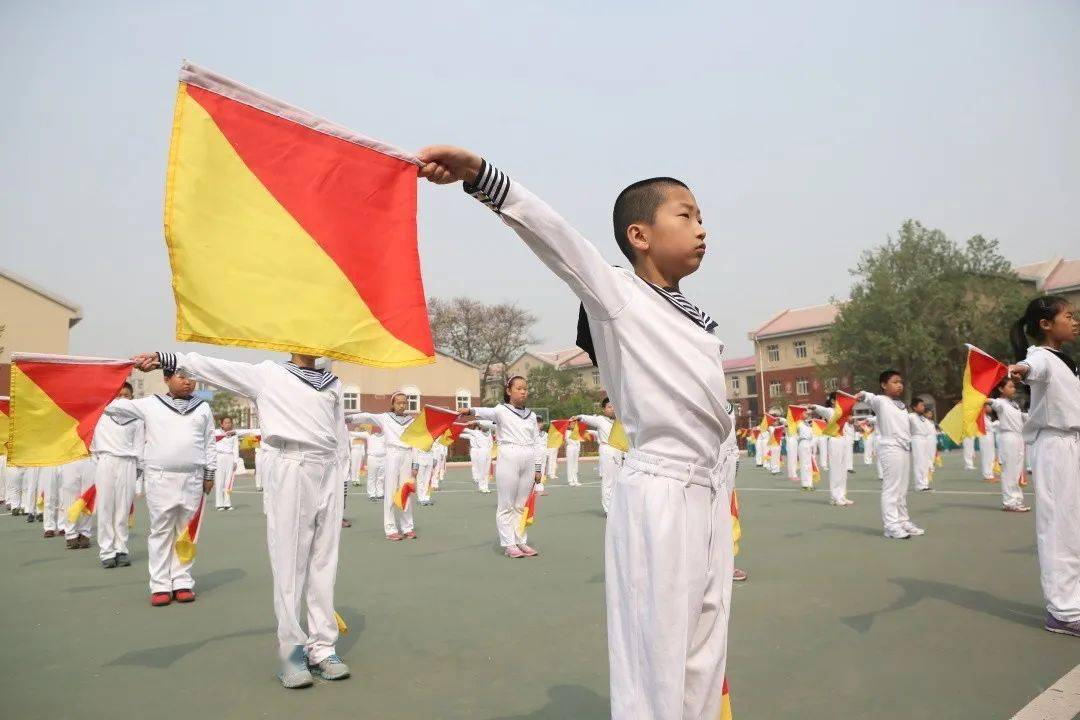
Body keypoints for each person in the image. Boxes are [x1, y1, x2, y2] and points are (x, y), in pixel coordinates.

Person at [419, 147, 735, 718]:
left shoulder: (694, 319)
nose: (701, 228)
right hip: (661, 489)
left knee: (705, 649)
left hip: (708, 492)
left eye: (701, 217)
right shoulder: (620, 296)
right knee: (657, 653)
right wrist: (479, 175)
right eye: (685, 215)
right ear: (639, 235)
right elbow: (556, 236)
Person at [132, 351, 352, 686]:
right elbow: (215, 368)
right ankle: (292, 652)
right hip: (291, 464)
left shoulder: (332, 383)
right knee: (290, 560)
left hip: (329, 469)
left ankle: (322, 647)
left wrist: (343, 480)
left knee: (324, 559)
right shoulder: (268, 374)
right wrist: (168, 359)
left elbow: (340, 436)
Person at [103, 365, 215, 605]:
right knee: (161, 531)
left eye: (191, 378)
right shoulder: (150, 404)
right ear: (166, 379)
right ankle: (160, 584)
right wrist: (108, 376)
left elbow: (209, 443)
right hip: (161, 477)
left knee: (186, 531)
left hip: (193, 477)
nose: (188, 382)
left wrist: (210, 473)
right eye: (182, 377)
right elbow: (112, 406)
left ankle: (182, 581)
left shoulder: (203, 407)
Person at [1007, 296, 1080, 637]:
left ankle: (1072, 599)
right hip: (1054, 447)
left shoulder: (1064, 360)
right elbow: (1032, 368)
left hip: (1071, 444)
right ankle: (1062, 612)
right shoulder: (1040, 358)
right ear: (1046, 324)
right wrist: (1021, 370)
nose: (1075, 321)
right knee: (1059, 528)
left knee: (1073, 526)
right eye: (1069, 316)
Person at [460, 376, 544, 558]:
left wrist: (538, 468)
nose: (523, 391)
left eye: (525, 388)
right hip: (508, 455)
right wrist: (469, 410)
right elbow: (486, 412)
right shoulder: (501, 410)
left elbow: (537, 442)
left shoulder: (531, 416)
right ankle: (509, 544)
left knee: (521, 504)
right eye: (519, 388)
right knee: (506, 504)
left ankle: (520, 540)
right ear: (509, 391)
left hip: (529, 457)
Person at [858, 371, 924, 540]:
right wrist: (863, 394)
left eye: (900, 382)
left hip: (903, 447)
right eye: (895, 382)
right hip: (890, 447)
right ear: (883, 385)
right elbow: (870, 398)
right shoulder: (881, 401)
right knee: (892, 488)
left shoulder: (901, 405)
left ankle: (903, 521)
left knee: (902, 489)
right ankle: (891, 526)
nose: (899, 385)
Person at [348, 393, 419, 541]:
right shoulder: (385, 417)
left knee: (405, 491)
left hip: (407, 454)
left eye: (404, 403)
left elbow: (416, 442)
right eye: (398, 403)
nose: (402, 405)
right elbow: (367, 416)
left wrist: (415, 464)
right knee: (391, 491)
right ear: (393, 404)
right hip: (392, 454)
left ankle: (407, 527)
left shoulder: (411, 420)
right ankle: (391, 528)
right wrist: (349, 418)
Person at [92, 382, 144, 568]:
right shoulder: (101, 414)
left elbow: (140, 446)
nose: (122, 399)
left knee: (123, 508)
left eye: (126, 395)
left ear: (132, 398)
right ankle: (107, 551)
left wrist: (139, 470)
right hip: (106, 460)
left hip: (128, 462)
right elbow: (93, 443)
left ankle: (121, 548)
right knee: (105, 507)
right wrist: (98, 463)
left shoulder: (137, 419)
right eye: (119, 395)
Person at [987, 377, 1029, 512]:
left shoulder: (1014, 404)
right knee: (1009, 471)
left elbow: (1023, 418)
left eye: (1013, 386)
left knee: (1017, 471)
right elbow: (991, 402)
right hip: (1008, 438)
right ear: (1001, 389)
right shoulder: (1000, 403)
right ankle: (1009, 502)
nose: (1013, 389)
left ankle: (1017, 500)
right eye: (1010, 386)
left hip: (1019, 437)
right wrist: (983, 399)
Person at [574, 398, 622, 515]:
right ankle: (608, 509)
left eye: (614, 406)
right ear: (603, 409)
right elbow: (588, 419)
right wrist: (579, 417)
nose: (612, 409)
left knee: (618, 481)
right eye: (609, 407)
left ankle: (617, 508)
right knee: (608, 481)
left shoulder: (619, 421)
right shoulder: (600, 420)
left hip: (619, 451)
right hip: (607, 450)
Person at [811, 395, 854, 506]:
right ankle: (834, 497)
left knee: (843, 470)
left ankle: (842, 495)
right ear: (833, 401)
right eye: (839, 400)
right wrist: (814, 407)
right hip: (835, 440)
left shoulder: (844, 412)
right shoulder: (830, 411)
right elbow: (822, 410)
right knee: (835, 470)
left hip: (843, 441)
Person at [213, 416, 240, 511]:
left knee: (229, 482)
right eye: (226, 423)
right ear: (221, 424)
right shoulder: (216, 433)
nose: (228, 424)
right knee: (219, 481)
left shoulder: (234, 434)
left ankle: (227, 503)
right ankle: (219, 504)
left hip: (230, 457)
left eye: (229, 422)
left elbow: (236, 448)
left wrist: (235, 461)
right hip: (219, 457)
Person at [908, 398, 936, 492]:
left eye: (923, 405)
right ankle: (920, 485)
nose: (923, 407)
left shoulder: (923, 418)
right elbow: (899, 421)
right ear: (914, 407)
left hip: (925, 440)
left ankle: (925, 484)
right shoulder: (910, 416)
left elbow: (930, 430)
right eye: (921, 405)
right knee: (919, 462)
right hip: (917, 439)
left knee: (925, 462)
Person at [565, 420, 583, 487]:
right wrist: (575, 443)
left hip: (576, 449)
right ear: (569, 425)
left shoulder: (576, 431)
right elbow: (568, 440)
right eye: (572, 424)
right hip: (570, 447)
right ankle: (570, 480)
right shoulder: (567, 432)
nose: (573, 425)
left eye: (574, 424)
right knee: (570, 464)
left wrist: (578, 448)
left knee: (575, 465)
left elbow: (579, 441)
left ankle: (575, 480)